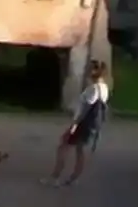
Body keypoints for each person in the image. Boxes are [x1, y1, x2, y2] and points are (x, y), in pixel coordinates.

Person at [44, 59, 109, 187]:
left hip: (82, 124)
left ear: (94, 71)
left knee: (63, 147)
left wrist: (74, 125)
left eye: (88, 68)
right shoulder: (104, 88)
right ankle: (74, 178)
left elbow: (86, 110)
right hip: (90, 126)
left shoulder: (93, 89)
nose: (86, 71)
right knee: (80, 150)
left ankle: (55, 178)